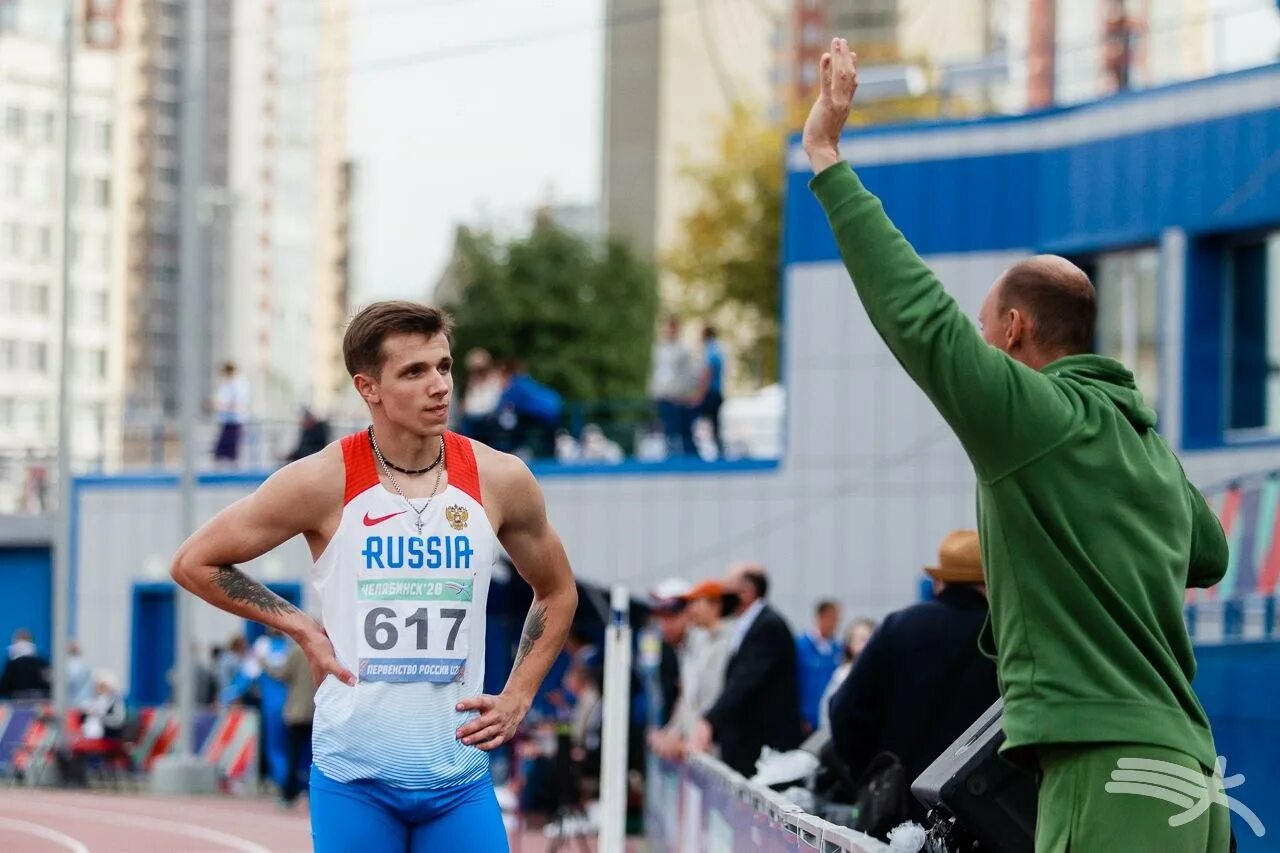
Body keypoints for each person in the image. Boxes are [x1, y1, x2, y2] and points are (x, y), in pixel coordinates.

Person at [802, 40, 1229, 852]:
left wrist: (826, 157)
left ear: (1013, 328)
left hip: (1110, 773)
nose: (976, 341)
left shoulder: (1037, 417)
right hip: (1190, 778)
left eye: (984, 327)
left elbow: (918, 317)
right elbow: (1208, 553)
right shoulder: (1141, 439)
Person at [171, 301, 578, 852]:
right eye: (414, 372)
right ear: (369, 388)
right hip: (355, 780)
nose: (439, 386)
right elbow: (195, 561)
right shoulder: (321, 481)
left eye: (444, 366)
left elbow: (555, 590)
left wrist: (519, 694)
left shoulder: (500, 479)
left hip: (458, 778)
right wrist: (301, 627)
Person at [829, 531, 999, 831]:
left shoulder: (900, 625)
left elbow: (844, 710)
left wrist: (870, 772)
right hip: (979, 819)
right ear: (991, 583)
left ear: (940, 581)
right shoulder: (1003, 636)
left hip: (897, 814)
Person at [690, 564, 803, 776]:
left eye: (728, 588)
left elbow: (744, 681)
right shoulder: (748, 625)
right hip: (748, 747)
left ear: (747, 592)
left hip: (764, 751)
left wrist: (710, 720)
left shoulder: (768, 627)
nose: (723, 596)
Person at [648, 316, 697, 457]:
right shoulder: (659, 349)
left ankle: (684, 457)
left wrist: (683, 394)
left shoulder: (683, 350)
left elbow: (688, 374)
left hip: (677, 397)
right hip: (661, 395)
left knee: (679, 429)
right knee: (665, 428)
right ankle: (670, 455)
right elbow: (656, 372)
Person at [796, 599, 841, 735]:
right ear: (821, 617)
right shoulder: (800, 646)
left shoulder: (838, 649)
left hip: (828, 720)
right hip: (806, 720)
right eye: (832, 619)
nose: (835, 624)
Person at [693, 325, 726, 457]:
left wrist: (699, 394)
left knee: (695, 419)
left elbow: (708, 373)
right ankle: (718, 451)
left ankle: (693, 450)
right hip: (716, 392)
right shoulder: (718, 349)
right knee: (714, 424)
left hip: (710, 393)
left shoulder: (710, 350)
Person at [212, 362, 249, 467]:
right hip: (226, 419)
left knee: (232, 449)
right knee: (222, 450)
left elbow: (238, 403)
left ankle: (232, 468)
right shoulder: (226, 384)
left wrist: (222, 405)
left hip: (235, 420)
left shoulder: (239, 385)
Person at [0, 628, 50, 700]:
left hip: (17, 702)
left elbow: (3, 687)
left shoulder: (11, 664)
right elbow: (48, 684)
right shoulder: (41, 661)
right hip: (39, 701)